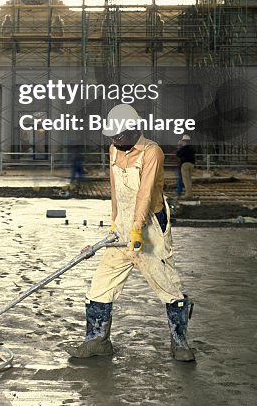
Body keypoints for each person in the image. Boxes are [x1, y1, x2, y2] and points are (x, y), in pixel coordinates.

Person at [68, 104, 195, 362]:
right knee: (100, 286)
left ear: (134, 129)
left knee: (168, 286)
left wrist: (136, 229)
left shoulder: (152, 152)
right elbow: (116, 190)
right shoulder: (114, 149)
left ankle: (180, 343)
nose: (114, 140)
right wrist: (115, 222)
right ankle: (97, 340)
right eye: (112, 136)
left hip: (149, 230)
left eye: (119, 135)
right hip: (124, 228)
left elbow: (145, 193)